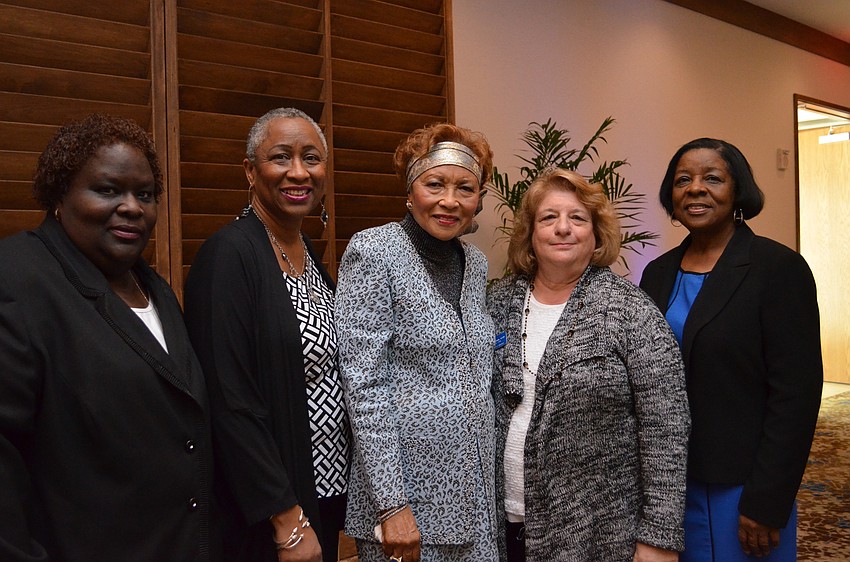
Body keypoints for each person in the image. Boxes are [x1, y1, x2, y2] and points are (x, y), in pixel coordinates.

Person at [0, 114, 216, 561]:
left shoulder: (156, 289)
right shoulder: (18, 280)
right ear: (60, 194)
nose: (133, 207)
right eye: (108, 190)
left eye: (145, 194)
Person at [487, 168, 690, 562]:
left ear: (596, 233)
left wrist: (659, 538)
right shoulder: (497, 303)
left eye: (577, 218)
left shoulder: (630, 311)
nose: (563, 228)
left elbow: (666, 428)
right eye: (549, 218)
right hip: (501, 523)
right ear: (530, 232)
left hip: (597, 533)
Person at [639, 138, 823, 562]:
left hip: (743, 488)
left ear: (737, 191)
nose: (696, 188)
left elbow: (795, 395)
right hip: (669, 481)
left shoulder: (778, 269)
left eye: (713, 178)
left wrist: (767, 501)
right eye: (683, 180)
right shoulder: (657, 272)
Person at [184, 107, 348, 562]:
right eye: (281, 157)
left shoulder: (306, 252)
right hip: (272, 511)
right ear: (251, 172)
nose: (299, 172)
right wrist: (286, 518)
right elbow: (228, 400)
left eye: (312, 158)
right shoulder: (229, 256)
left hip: (323, 492)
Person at [336, 123, 498, 562]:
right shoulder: (374, 252)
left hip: (477, 503)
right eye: (435, 184)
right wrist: (392, 505)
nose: (450, 201)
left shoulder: (477, 263)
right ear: (410, 191)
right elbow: (364, 387)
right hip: (408, 508)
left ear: (478, 197)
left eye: (465, 187)